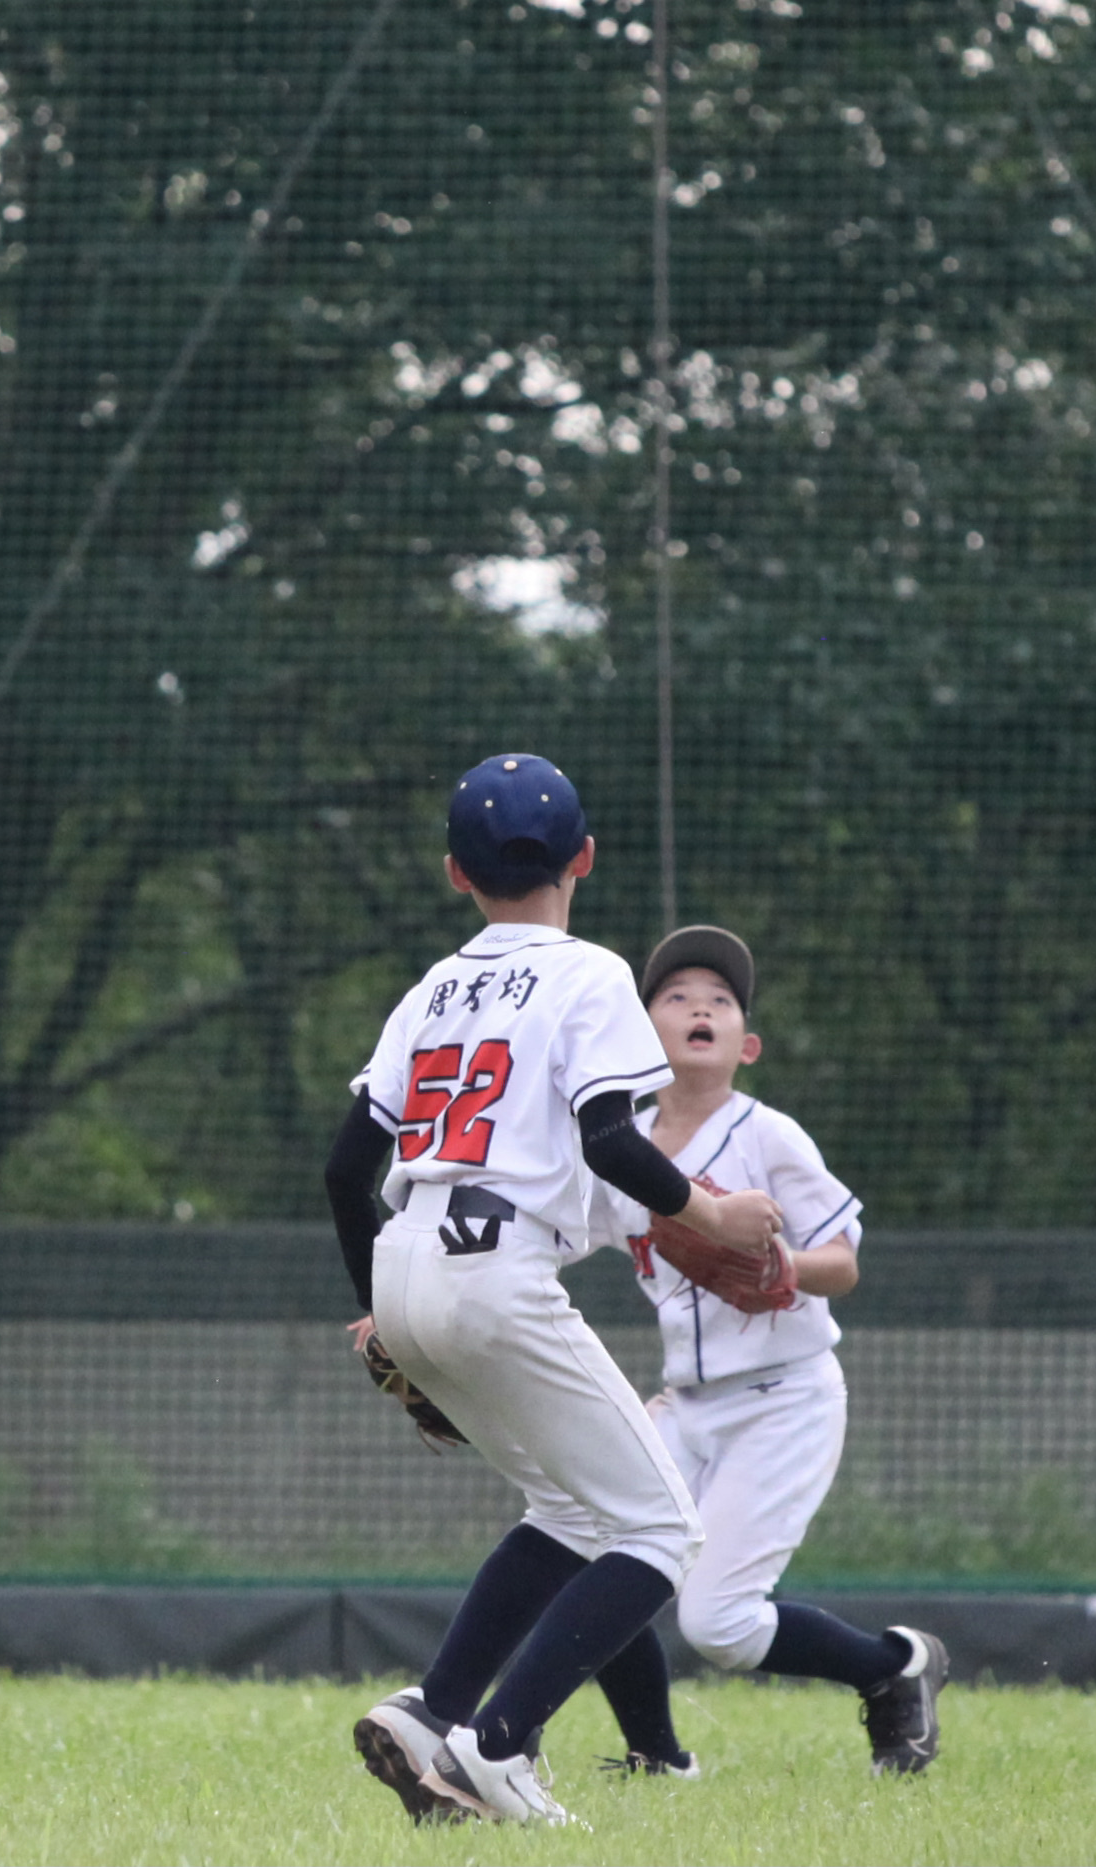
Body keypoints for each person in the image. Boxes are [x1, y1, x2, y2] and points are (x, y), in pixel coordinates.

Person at [323, 754, 786, 1827]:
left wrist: (383, 1314)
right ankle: (495, 1746)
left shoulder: (431, 989)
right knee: (661, 1533)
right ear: (584, 857)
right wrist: (711, 1213)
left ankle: (433, 1713)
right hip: (495, 1271)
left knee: (572, 1508)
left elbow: (346, 1170)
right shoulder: (589, 974)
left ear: (455, 872)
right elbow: (608, 1138)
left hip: (408, 1260)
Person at [579, 926, 949, 1779]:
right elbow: (557, 1234)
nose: (700, 1006)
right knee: (596, 1561)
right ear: (640, 1037)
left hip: (786, 1398)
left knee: (719, 1623)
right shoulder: (620, 1148)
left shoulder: (768, 1135)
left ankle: (893, 1667)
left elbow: (843, 1263)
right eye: (676, 996)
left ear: (746, 1045)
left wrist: (787, 1265)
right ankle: (657, 1756)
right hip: (687, 1402)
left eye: (721, 999)